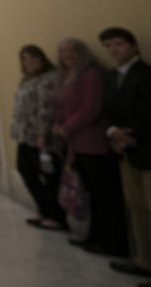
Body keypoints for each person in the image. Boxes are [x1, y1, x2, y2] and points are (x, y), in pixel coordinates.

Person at [52, 37, 129, 258]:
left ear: (82, 52)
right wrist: (57, 124)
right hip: (75, 143)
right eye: (63, 52)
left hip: (93, 142)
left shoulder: (92, 74)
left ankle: (114, 243)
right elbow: (60, 104)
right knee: (92, 193)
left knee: (106, 195)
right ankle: (96, 236)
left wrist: (66, 126)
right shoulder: (66, 76)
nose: (68, 55)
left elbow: (91, 108)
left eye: (72, 51)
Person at [100, 27, 151, 283]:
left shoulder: (146, 75)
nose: (113, 50)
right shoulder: (111, 77)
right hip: (125, 152)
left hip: (145, 149)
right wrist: (112, 132)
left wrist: (128, 135)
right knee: (137, 208)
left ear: (133, 46)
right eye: (108, 45)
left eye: (118, 44)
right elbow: (106, 110)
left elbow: (147, 113)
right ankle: (144, 261)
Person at [10, 45, 66, 230]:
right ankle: (43, 209)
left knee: (50, 176)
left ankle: (57, 216)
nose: (29, 62)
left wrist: (42, 133)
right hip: (25, 135)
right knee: (25, 170)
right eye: (24, 59)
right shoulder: (27, 80)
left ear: (41, 58)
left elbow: (46, 108)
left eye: (33, 57)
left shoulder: (49, 78)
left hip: (42, 136)